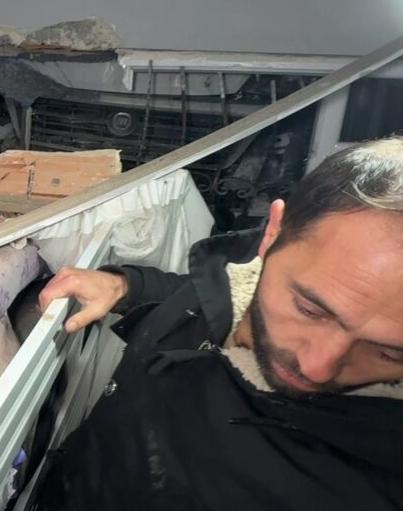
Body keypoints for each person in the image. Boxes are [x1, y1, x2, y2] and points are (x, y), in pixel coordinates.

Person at [34, 137, 403, 510]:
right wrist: (129, 286)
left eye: (389, 353)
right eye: (309, 310)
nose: (317, 369)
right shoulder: (236, 278)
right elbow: (206, 300)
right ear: (273, 234)